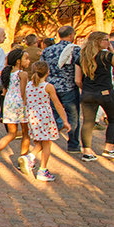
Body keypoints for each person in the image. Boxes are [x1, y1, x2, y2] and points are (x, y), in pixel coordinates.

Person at [75, 31, 114, 162]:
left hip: (88, 93)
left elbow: (77, 80)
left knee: (88, 122)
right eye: (106, 40)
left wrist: (86, 89)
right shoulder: (107, 56)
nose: (108, 42)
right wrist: (112, 50)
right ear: (98, 41)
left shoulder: (82, 57)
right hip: (105, 92)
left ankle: (87, 151)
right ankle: (109, 148)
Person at [20, 61, 70, 181]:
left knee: (40, 142)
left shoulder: (29, 85)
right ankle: (42, 169)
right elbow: (57, 104)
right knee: (47, 143)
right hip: (44, 117)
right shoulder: (48, 86)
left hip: (32, 116)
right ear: (47, 72)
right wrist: (65, 120)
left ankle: (30, 157)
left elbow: (25, 101)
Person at [0, 49, 31, 172]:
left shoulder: (7, 73)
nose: (29, 61)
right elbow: (23, 92)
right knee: (25, 133)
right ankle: (23, 159)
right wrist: (28, 105)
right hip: (20, 104)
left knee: (12, 133)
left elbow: (4, 91)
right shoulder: (22, 74)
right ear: (18, 61)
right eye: (26, 59)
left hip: (9, 103)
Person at [40, 25, 82, 153]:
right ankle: (73, 144)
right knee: (73, 116)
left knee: (53, 114)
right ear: (71, 35)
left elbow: (42, 67)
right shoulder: (75, 49)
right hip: (69, 86)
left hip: (51, 86)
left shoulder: (48, 50)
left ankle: (46, 139)